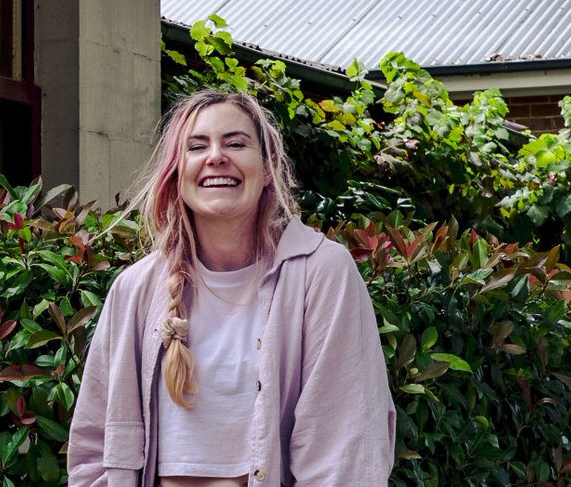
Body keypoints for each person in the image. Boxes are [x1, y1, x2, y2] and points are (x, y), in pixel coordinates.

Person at [67, 89, 396, 487]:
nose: (216, 157)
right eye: (197, 146)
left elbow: (345, 445)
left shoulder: (321, 274)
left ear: (268, 167)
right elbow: (93, 448)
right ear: (176, 170)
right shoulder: (135, 290)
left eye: (236, 143)